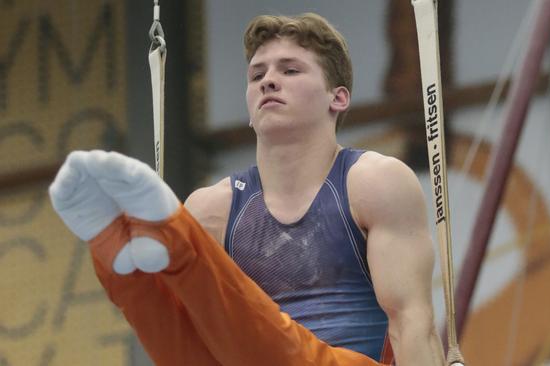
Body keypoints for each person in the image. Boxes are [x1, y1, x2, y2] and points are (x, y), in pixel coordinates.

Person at [49, 13, 444, 366]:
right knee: (177, 327)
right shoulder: (214, 205)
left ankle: (171, 232)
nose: (268, 80)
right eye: (257, 75)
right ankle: (112, 245)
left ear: (337, 97)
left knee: (269, 336)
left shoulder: (372, 181)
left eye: (290, 70)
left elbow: (412, 321)